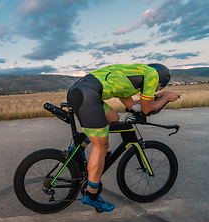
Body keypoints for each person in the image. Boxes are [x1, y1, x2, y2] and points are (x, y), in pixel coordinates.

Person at [66, 63, 180, 212]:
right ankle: (91, 196)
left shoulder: (131, 76)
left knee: (113, 118)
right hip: (88, 95)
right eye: (160, 87)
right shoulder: (152, 75)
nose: (157, 89)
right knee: (101, 147)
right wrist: (167, 98)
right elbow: (147, 108)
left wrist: (160, 96)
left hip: (81, 91)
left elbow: (133, 104)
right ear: (163, 80)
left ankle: (77, 149)